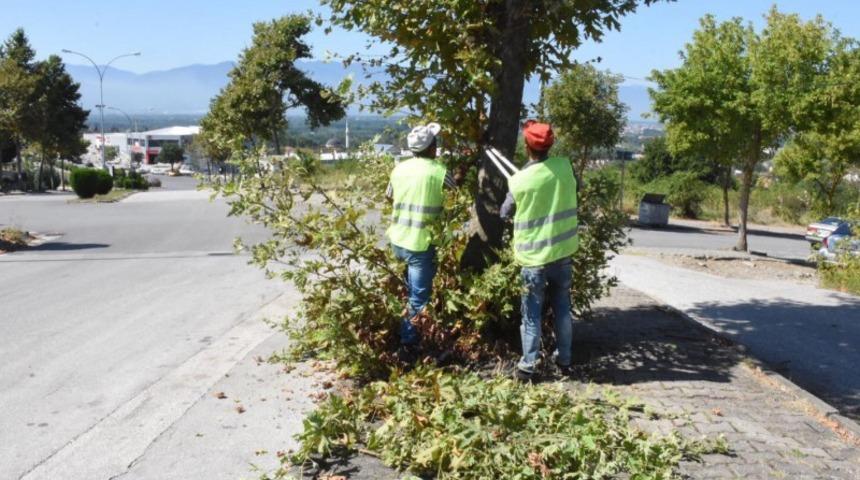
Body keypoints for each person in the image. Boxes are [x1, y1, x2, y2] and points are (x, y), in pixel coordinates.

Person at [500, 120, 579, 381]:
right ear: (550, 145)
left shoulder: (519, 180)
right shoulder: (565, 167)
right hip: (562, 254)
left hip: (533, 259)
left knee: (531, 315)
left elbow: (504, 212)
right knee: (563, 310)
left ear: (526, 146)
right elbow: (575, 187)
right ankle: (565, 360)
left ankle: (528, 367)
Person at [386, 122, 454, 360]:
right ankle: (408, 346)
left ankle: (407, 331)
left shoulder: (399, 169)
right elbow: (456, 197)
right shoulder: (439, 171)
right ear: (432, 148)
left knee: (410, 290)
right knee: (418, 297)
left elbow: (389, 196)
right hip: (420, 243)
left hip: (398, 239)